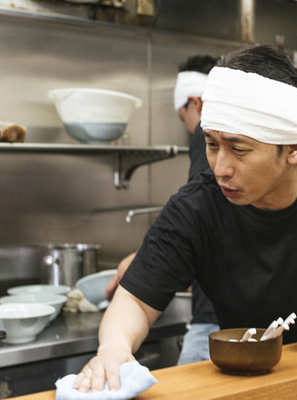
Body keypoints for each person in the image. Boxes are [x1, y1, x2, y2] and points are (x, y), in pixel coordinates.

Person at [75, 45, 297, 393]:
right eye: (211, 144)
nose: (220, 168)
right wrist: (114, 349)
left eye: (238, 149)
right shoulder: (196, 207)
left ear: (293, 148)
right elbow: (136, 300)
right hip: (255, 378)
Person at [104, 54, 221, 365]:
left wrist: (150, 256)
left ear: (195, 103)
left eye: (183, 117)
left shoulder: (208, 134)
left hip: (215, 320)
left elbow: (203, 213)